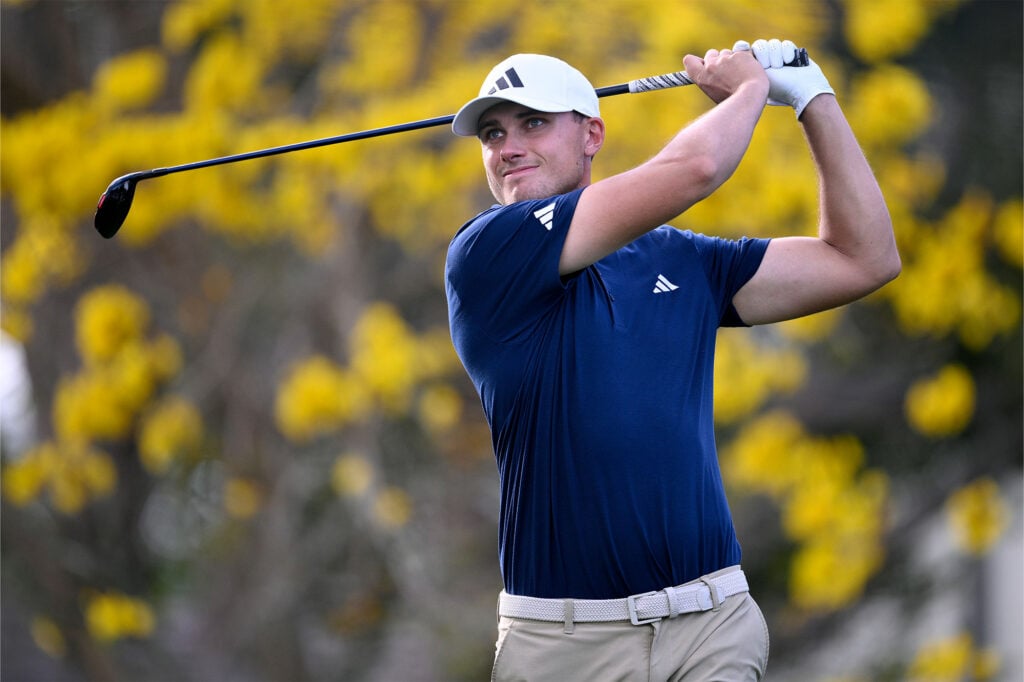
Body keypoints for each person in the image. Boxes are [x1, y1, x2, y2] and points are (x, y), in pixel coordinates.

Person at [444, 39, 900, 681]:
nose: (508, 146)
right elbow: (696, 168)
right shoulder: (486, 253)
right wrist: (750, 89)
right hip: (566, 645)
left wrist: (813, 99)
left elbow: (864, 259)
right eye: (492, 133)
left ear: (592, 134)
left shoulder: (681, 259)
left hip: (713, 624)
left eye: (533, 123)